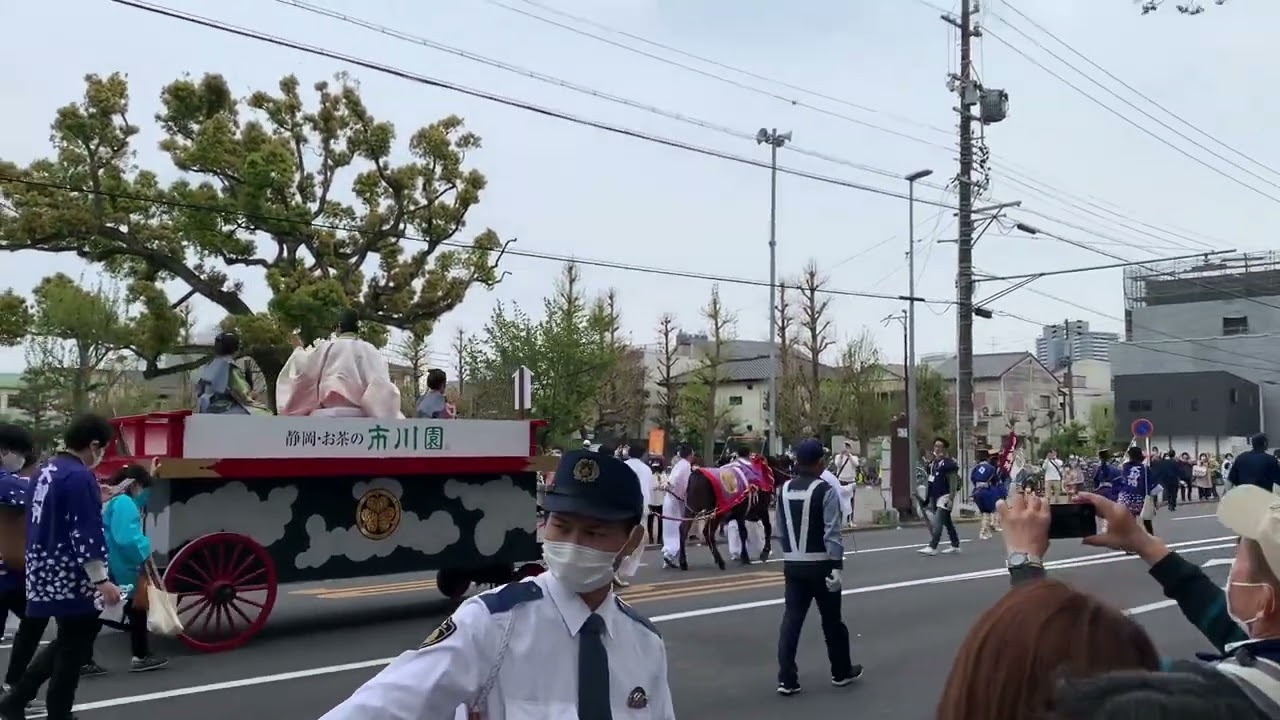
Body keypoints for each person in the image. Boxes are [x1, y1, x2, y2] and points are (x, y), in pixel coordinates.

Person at [319, 449, 673, 719]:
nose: (572, 544)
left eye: (594, 532)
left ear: (631, 540)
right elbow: (382, 706)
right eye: (561, 527)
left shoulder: (644, 644)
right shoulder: (493, 623)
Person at [0, 414, 122, 720]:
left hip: (41, 567)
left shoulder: (45, 471)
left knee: (69, 640)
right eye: (102, 448)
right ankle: (54, 709)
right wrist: (101, 579)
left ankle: (19, 700)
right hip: (70, 572)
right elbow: (85, 531)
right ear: (94, 445)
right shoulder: (80, 477)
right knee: (74, 645)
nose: (101, 455)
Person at [775, 439, 857, 696]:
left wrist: (790, 555)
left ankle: (787, 679)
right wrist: (836, 566)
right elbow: (832, 533)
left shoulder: (784, 489)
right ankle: (840, 672)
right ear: (819, 463)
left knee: (791, 621)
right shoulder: (825, 490)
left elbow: (780, 529)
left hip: (793, 564)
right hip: (821, 565)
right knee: (832, 622)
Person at [85, 464, 167, 673]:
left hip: (108, 559)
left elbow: (138, 500)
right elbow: (126, 539)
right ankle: (140, 655)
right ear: (135, 484)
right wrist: (145, 548)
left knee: (104, 609)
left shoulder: (113, 498)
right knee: (135, 607)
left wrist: (151, 474)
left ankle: (84, 659)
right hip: (122, 562)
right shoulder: (124, 502)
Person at [280, 309, 402, 418]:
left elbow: (303, 376)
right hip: (361, 420)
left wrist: (298, 353)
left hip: (323, 418)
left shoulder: (324, 349)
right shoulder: (371, 351)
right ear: (357, 327)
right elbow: (382, 388)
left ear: (339, 327)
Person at [0, 425, 45, 716]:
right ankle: (15, 687)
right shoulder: (8, 483)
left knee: (33, 619)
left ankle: (14, 688)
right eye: (20, 454)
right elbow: (39, 495)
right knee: (34, 618)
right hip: (8, 574)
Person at [919, 438, 962, 556]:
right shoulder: (933, 463)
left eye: (940, 447)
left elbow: (953, 482)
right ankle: (955, 544)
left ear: (944, 449)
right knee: (947, 522)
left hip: (945, 496)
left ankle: (933, 546)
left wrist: (951, 499)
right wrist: (927, 499)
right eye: (936, 446)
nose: (937, 449)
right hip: (935, 496)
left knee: (938, 521)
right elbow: (930, 482)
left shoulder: (948, 463)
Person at [194, 331, 255, 415]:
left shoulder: (209, 365)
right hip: (225, 411)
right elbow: (244, 396)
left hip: (205, 409)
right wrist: (252, 395)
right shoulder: (230, 368)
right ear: (236, 349)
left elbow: (199, 389)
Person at [661, 446, 693, 569]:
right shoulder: (685, 465)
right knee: (676, 528)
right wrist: (669, 485)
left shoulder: (679, 464)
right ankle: (670, 554)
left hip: (671, 499)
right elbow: (675, 479)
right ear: (690, 455)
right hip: (676, 500)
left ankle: (669, 555)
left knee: (670, 528)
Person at [1120, 446, 1156, 535]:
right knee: (1146, 519)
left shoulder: (1125, 467)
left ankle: (1130, 540)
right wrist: (1153, 500)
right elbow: (1150, 484)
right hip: (1140, 497)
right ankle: (1151, 538)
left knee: (1129, 520)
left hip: (1126, 497)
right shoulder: (1145, 469)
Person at [971, 449, 1000, 540]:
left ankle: (987, 531)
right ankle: (983, 531)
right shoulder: (991, 468)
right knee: (986, 512)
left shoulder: (976, 468)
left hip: (977, 490)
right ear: (988, 458)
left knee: (983, 512)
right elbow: (995, 480)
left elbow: (972, 478)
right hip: (986, 490)